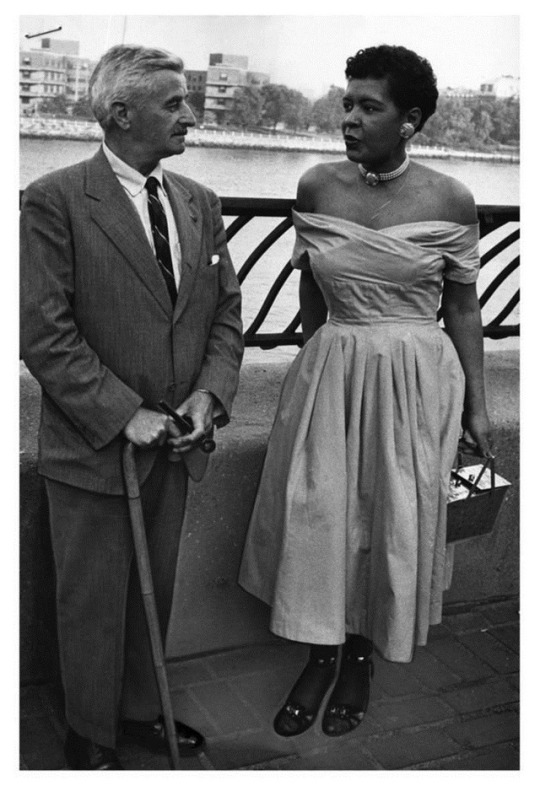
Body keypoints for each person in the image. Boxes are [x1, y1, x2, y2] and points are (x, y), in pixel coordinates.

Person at [239, 44, 493, 739]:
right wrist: (315, 366)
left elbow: (462, 306)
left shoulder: (450, 198)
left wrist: (477, 404)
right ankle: (319, 653)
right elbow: (310, 291)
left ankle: (358, 658)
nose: (348, 117)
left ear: (410, 120)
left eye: (368, 107)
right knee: (320, 514)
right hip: (332, 371)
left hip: (415, 381)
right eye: (347, 102)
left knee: (389, 518)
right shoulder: (317, 187)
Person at [20, 44, 243, 769]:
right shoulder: (54, 200)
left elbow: (225, 313)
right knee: (91, 596)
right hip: (94, 447)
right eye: (174, 102)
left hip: (177, 442)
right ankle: (89, 730)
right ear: (120, 113)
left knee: (158, 585)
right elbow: (44, 333)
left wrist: (209, 395)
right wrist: (124, 413)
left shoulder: (198, 201)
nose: (191, 114)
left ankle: (142, 713)